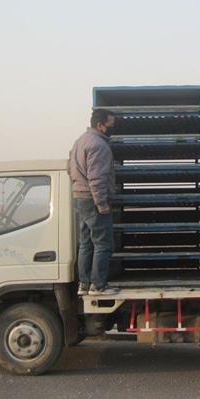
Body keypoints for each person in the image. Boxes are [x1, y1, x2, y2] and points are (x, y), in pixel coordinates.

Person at [68, 108, 120, 296]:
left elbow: (69, 168)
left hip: (80, 197)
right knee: (103, 243)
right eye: (110, 124)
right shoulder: (99, 145)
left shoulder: (80, 141)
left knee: (86, 242)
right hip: (93, 199)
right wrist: (101, 204)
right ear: (100, 125)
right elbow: (97, 178)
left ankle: (84, 284)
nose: (112, 128)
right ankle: (98, 286)